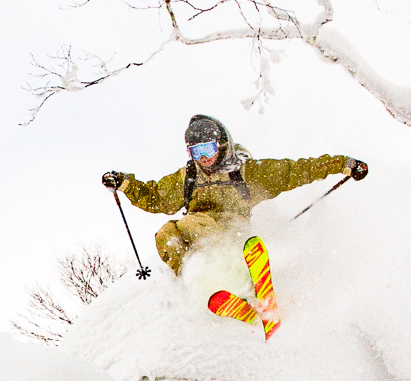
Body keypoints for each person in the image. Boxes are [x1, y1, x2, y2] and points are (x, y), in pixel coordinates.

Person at [103, 113, 368, 276]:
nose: (204, 158)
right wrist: (125, 183)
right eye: (196, 152)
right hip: (197, 231)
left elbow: (297, 169)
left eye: (207, 149)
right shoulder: (189, 177)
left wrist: (342, 164)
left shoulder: (247, 173)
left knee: (197, 225)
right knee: (166, 234)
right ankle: (195, 278)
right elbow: (155, 197)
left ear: (221, 145)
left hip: (234, 232)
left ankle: (234, 272)